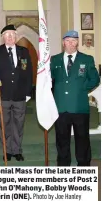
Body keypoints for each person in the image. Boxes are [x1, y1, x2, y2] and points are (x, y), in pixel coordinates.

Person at [50, 30, 100, 166]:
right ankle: (63, 166)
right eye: (68, 41)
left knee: (82, 139)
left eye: (74, 41)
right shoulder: (55, 60)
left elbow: (95, 79)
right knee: (61, 139)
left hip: (79, 107)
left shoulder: (86, 59)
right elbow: (49, 80)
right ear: (63, 43)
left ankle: (83, 166)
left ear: (77, 42)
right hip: (61, 107)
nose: (71, 43)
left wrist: (82, 88)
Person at [0, 25, 32, 161]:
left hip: (19, 94)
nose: (10, 37)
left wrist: (28, 92)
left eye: (12, 34)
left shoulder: (24, 52)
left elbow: (28, 72)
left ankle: (16, 150)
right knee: (4, 124)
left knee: (18, 123)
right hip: (2, 94)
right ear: (3, 37)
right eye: (7, 34)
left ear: (16, 36)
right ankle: (7, 151)